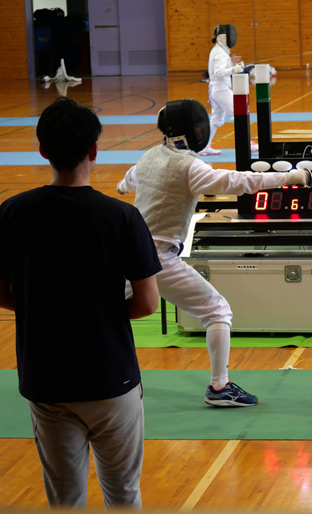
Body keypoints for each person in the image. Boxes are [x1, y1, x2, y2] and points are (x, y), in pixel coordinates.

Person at [0, 97, 162, 507]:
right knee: (123, 494)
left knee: (64, 500)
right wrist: (100, 315)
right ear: (94, 150)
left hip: (46, 379)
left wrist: (41, 309)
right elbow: (147, 303)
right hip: (112, 379)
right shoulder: (122, 218)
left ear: (42, 151)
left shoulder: (13, 213)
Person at [117, 98, 312, 407]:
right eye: (197, 126)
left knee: (107, 312)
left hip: (124, 254)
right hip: (157, 258)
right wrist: (289, 177)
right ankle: (220, 389)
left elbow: (123, 185)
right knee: (217, 310)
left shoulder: (147, 158)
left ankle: (86, 372)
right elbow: (238, 181)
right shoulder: (189, 166)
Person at [200, 24, 257, 156]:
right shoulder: (219, 52)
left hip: (216, 90)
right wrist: (233, 69)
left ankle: (204, 146)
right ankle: (247, 145)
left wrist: (231, 62)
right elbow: (218, 72)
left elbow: (219, 68)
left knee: (216, 119)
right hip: (220, 90)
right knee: (239, 113)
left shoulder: (220, 51)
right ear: (223, 37)